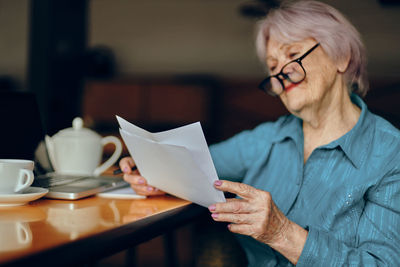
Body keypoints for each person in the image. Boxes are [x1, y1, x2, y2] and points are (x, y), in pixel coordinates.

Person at [119, 1, 400, 266]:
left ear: (341, 57)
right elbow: (193, 164)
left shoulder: (390, 154)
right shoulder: (267, 139)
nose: (280, 75)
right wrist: (151, 171)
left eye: (292, 56)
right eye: (273, 66)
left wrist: (282, 234)